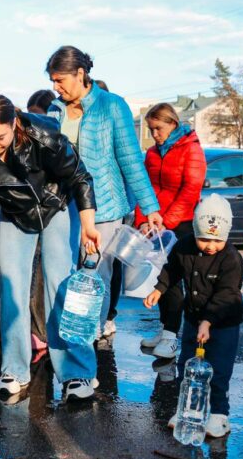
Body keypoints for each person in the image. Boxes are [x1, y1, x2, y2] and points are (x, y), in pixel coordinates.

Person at [0, 94, 102, 401]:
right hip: (16, 213)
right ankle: (14, 369)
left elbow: (81, 178)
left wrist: (88, 226)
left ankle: (76, 372)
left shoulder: (45, 138)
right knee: (11, 287)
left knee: (59, 287)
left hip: (57, 206)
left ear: (14, 124)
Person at [46, 46, 162, 338]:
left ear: (80, 73)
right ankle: (64, 333)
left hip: (104, 208)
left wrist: (150, 207)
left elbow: (130, 159)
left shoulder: (112, 106)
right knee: (62, 271)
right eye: (53, 81)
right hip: (64, 206)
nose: (55, 87)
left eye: (60, 80)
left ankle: (92, 335)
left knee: (96, 274)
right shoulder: (55, 109)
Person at [144, 194, 243, 438]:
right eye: (204, 239)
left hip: (223, 324)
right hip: (193, 319)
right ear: (195, 232)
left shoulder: (231, 259)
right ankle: (187, 409)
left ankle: (220, 415)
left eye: (217, 240)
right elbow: (171, 270)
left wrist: (208, 322)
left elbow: (227, 294)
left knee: (219, 370)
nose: (210, 245)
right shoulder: (184, 247)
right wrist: (159, 289)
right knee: (187, 365)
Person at [0, 89, 56, 350]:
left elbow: (73, 176)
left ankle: (39, 331)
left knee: (36, 275)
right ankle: (2, 326)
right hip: (13, 210)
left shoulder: (43, 139)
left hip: (46, 212)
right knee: (3, 272)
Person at [136, 103, 207, 359]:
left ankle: (171, 336)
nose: (154, 134)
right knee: (159, 279)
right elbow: (145, 189)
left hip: (181, 224)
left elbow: (190, 191)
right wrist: (143, 220)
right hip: (156, 225)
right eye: (151, 129)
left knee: (173, 279)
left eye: (158, 128)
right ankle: (165, 328)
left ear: (173, 124)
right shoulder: (153, 153)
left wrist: (165, 222)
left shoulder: (191, 149)